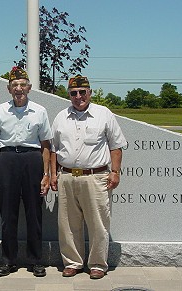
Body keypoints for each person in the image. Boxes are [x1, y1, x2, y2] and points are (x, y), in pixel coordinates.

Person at [50, 75, 126, 280]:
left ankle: (98, 264)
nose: (78, 96)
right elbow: (54, 150)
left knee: (98, 223)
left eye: (82, 92)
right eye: (73, 93)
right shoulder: (61, 117)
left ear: (90, 92)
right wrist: (53, 175)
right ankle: (73, 263)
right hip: (66, 176)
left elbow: (116, 146)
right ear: (69, 95)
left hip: (96, 176)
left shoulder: (104, 114)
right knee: (68, 224)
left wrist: (115, 172)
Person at [0, 66, 52, 277]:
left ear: (29, 88)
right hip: (7, 160)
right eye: (14, 85)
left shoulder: (40, 111)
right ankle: (8, 260)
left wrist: (46, 174)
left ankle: (35, 260)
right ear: (8, 89)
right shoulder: (0, 111)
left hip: (32, 160)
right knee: (8, 213)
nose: (19, 88)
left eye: (22, 84)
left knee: (34, 212)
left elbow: (45, 145)